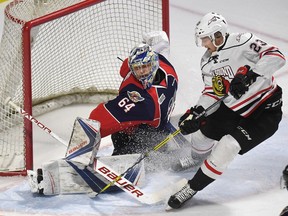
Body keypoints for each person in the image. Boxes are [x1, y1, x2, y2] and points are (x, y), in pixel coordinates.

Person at [166, 12, 286, 209]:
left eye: (205, 39)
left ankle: (192, 187)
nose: (203, 44)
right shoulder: (207, 61)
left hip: (264, 112)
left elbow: (277, 56)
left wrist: (251, 74)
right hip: (233, 108)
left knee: (228, 146)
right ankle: (197, 160)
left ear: (217, 35)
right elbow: (213, 91)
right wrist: (196, 112)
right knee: (200, 137)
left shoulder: (243, 41)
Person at [89, 31, 178, 156]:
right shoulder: (165, 64)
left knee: (121, 136)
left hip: (151, 139)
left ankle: (122, 158)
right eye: (137, 68)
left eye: (145, 66)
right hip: (161, 126)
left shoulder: (145, 101)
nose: (141, 72)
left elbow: (99, 120)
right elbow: (163, 41)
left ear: (153, 63)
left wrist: (86, 136)